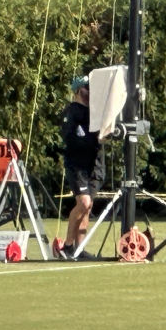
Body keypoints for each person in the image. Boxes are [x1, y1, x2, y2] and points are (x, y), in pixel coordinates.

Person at [59, 75, 104, 260]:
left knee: (88, 206)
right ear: (78, 90)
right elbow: (70, 139)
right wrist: (91, 140)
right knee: (83, 203)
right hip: (77, 165)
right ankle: (67, 246)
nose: (90, 92)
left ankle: (79, 249)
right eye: (87, 88)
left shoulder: (95, 112)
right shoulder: (71, 113)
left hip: (94, 166)